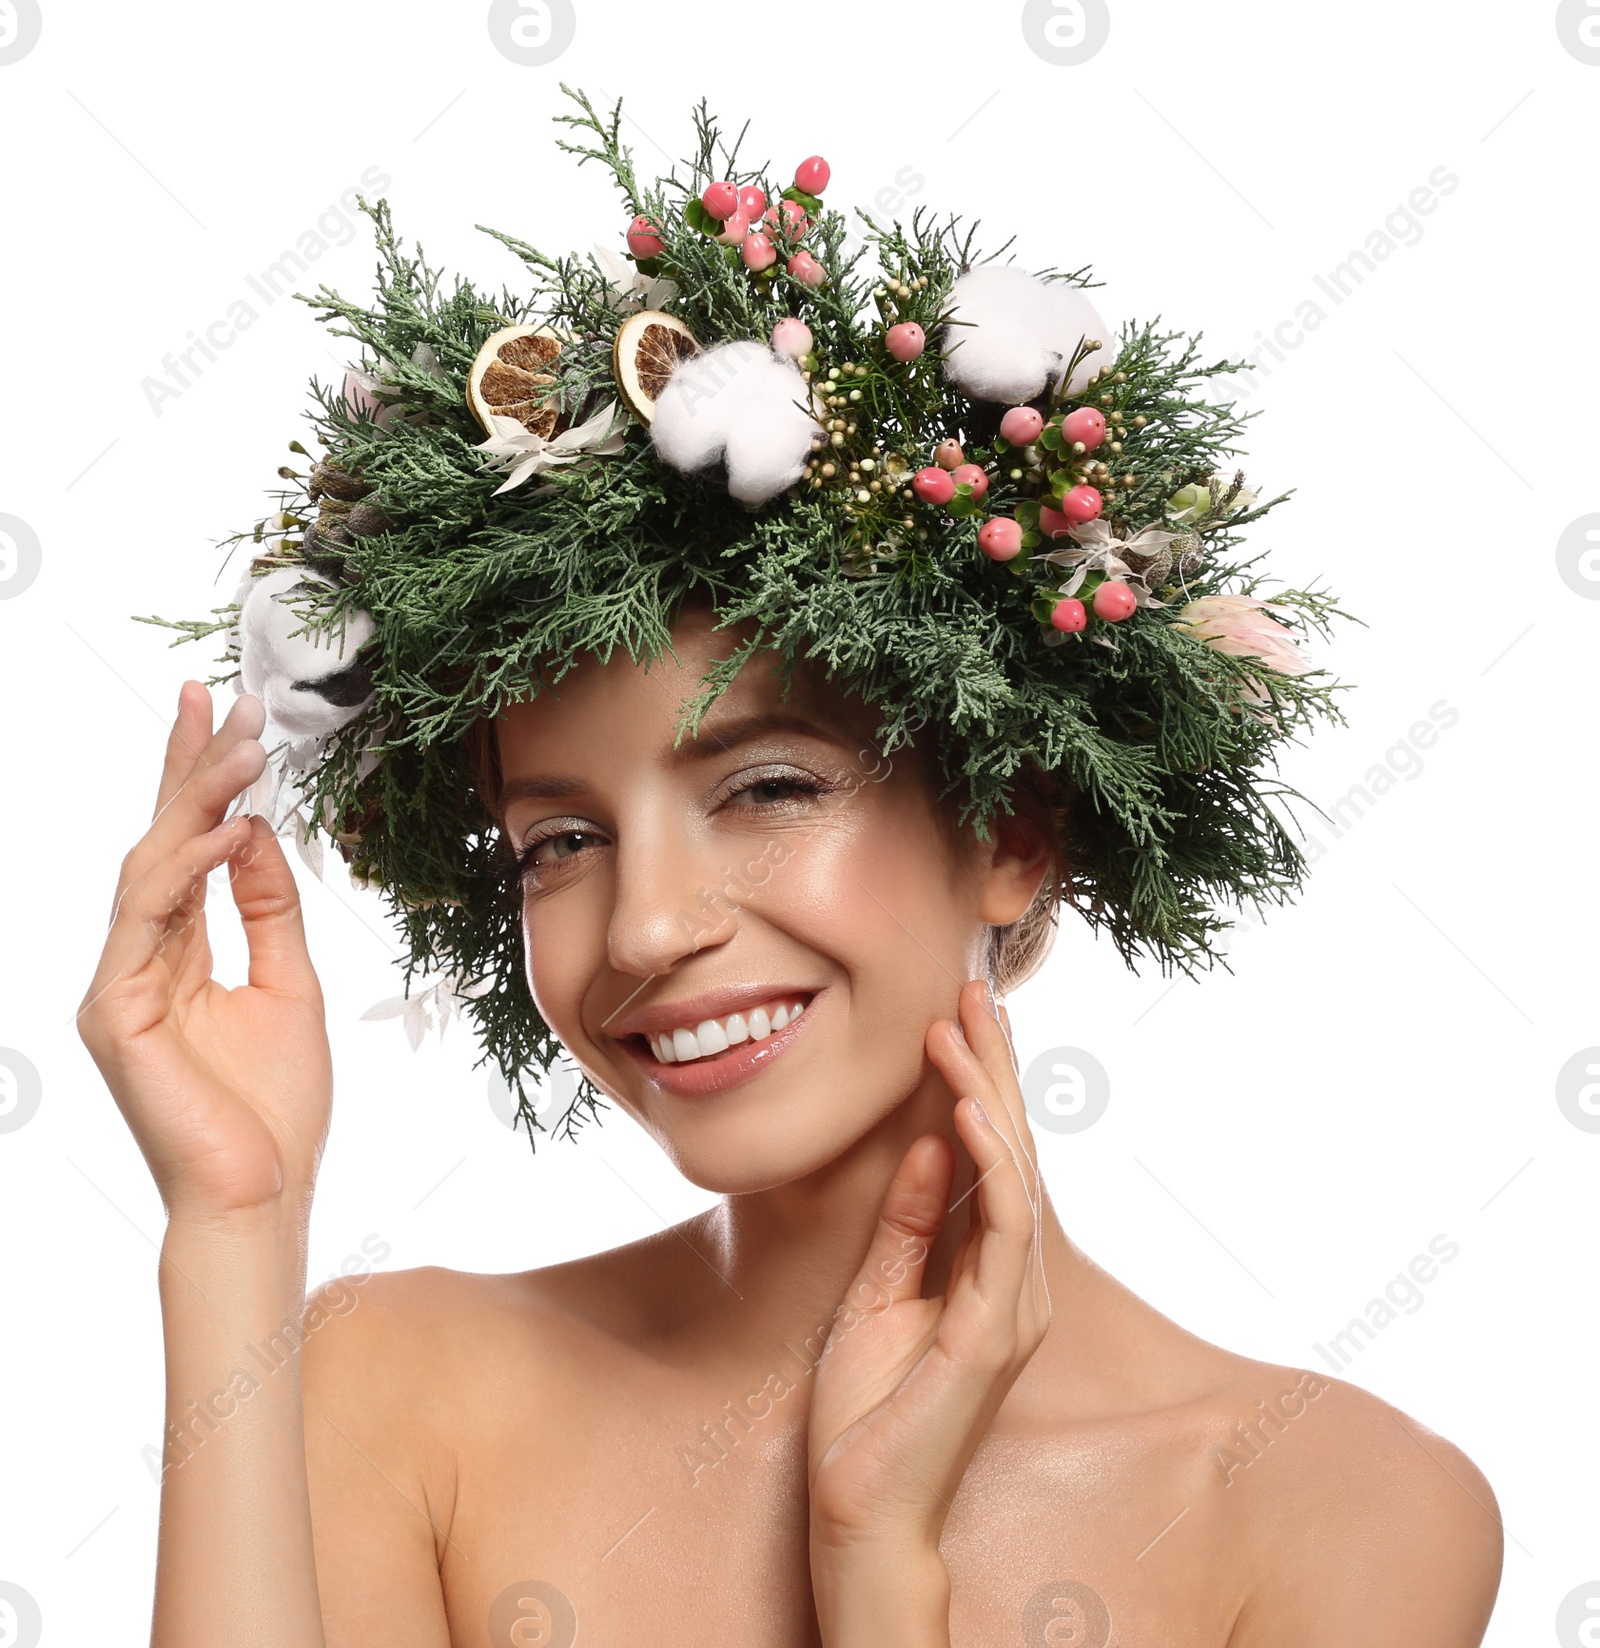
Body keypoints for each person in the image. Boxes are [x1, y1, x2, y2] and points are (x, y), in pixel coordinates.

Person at [79, 88, 1503, 1647]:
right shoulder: (402, 1397)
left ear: (1014, 829)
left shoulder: (1336, 1517)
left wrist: (878, 1564)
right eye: (559, 839)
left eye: (764, 786)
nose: (644, 924)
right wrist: (233, 1229)